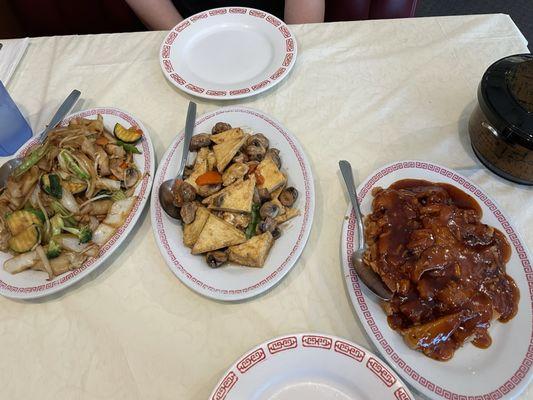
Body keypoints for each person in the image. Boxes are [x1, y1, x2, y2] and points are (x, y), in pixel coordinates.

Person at [125, 0, 324, 29]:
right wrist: (184, 36)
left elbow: (305, 28)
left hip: (276, 30)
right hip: (185, 26)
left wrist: (291, 43)